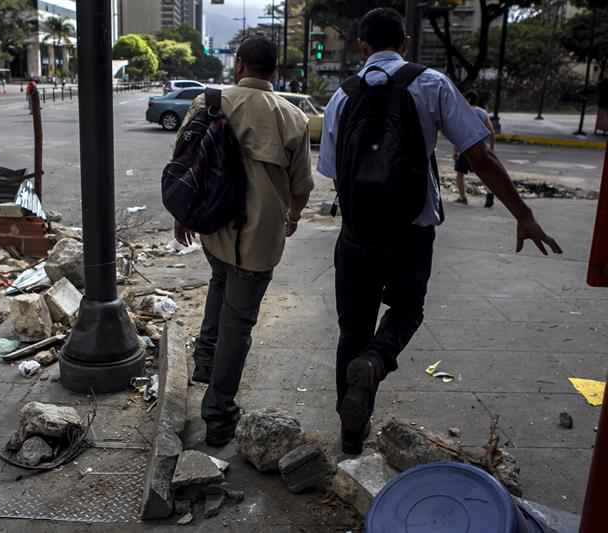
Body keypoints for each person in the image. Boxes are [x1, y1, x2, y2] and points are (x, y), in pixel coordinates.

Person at [318, 8, 562, 456]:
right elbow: (480, 156)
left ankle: (351, 434)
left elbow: (333, 171)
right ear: (406, 43)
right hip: (412, 231)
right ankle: (376, 360)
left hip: (355, 236)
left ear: (361, 47)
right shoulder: (431, 83)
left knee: (352, 330)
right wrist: (522, 214)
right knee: (407, 310)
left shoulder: (342, 96)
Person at [176, 36, 314, 447]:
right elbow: (302, 185)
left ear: (239, 65)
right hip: (260, 238)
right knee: (239, 322)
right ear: (275, 71)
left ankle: (205, 361)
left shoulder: (210, 102)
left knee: (219, 282)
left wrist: (183, 214)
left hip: (214, 227)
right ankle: (218, 414)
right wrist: (293, 217)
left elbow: (183, 161)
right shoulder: (292, 117)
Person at [454, 91, 497, 207]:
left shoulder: (462, 113)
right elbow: (491, 132)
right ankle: (489, 193)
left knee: (460, 174)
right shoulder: (482, 112)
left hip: (465, 147)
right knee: (482, 173)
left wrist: (455, 151)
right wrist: (491, 149)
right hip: (480, 146)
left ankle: (463, 197)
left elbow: (457, 133)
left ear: (467, 100)